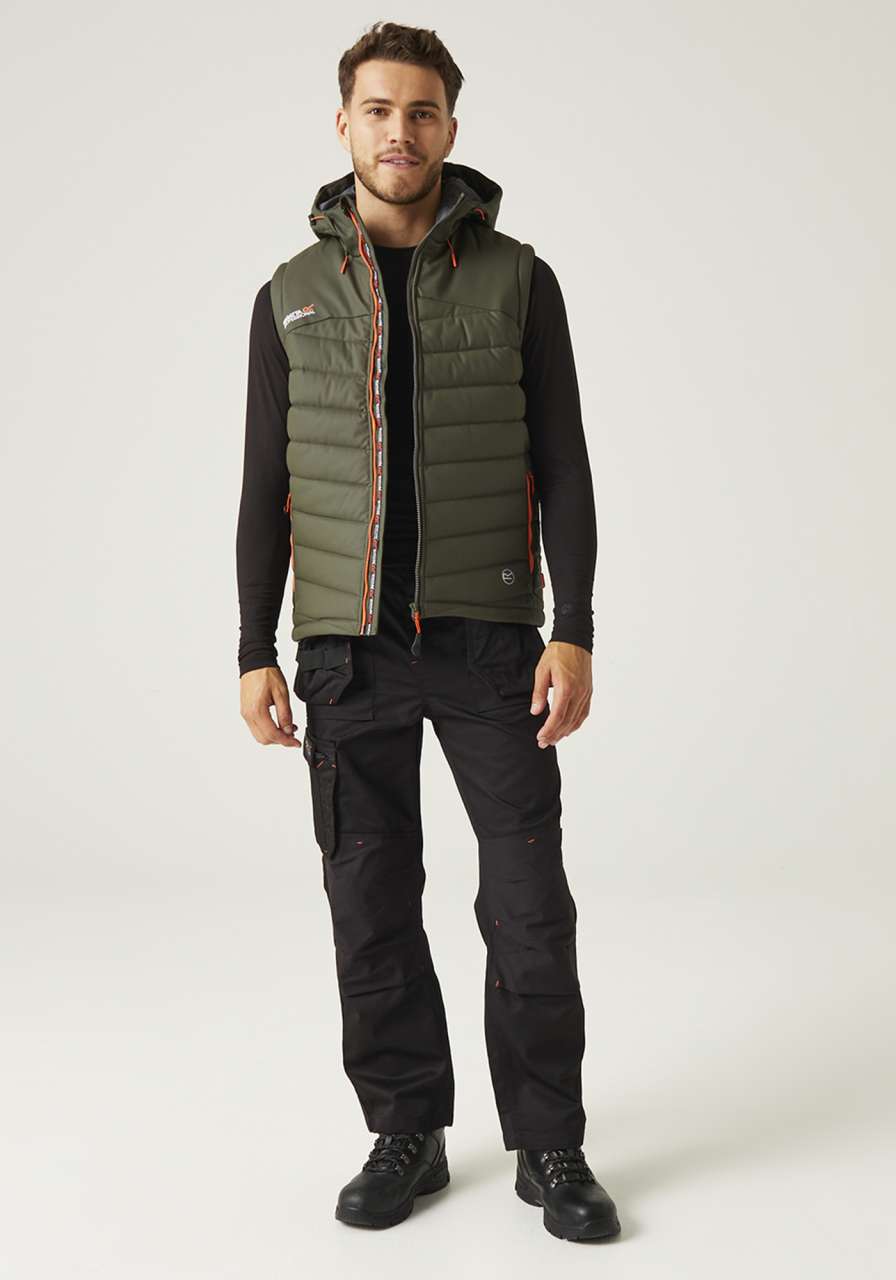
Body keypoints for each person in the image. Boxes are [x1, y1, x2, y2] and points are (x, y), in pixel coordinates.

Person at [236, 20, 620, 1243]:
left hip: (490, 640)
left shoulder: (518, 279)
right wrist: (253, 646)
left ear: (451, 126)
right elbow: (263, 484)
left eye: (420, 111)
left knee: (527, 903)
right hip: (343, 651)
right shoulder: (290, 295)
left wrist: (574, 626)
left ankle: (548, 1142)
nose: (398, 132)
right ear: (342, 124)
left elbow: (563, 464)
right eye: (377, 109)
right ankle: (406, 1128)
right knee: (369, 901)